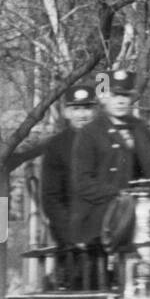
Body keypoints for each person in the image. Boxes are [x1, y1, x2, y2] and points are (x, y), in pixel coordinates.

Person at [70, 69, 150, 286]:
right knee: (136, 221)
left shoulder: (140, 128)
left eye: (125, 96)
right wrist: (119, 194)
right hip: (100, 210)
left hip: (142, 208)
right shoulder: (90, 133)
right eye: (114, 95)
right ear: (103, 97)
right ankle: (134, 285)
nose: (120, 101)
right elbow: (82, 182)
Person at [39, 83, 97, 287]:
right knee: (80, 279)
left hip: (107, 224)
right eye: (76, 108)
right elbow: (51, 198)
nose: (82, 114)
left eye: (87, 108)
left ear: (95, 110)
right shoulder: (57, 147)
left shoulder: (108, 141)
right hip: (72, 229)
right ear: (66, 112)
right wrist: (72, 234)